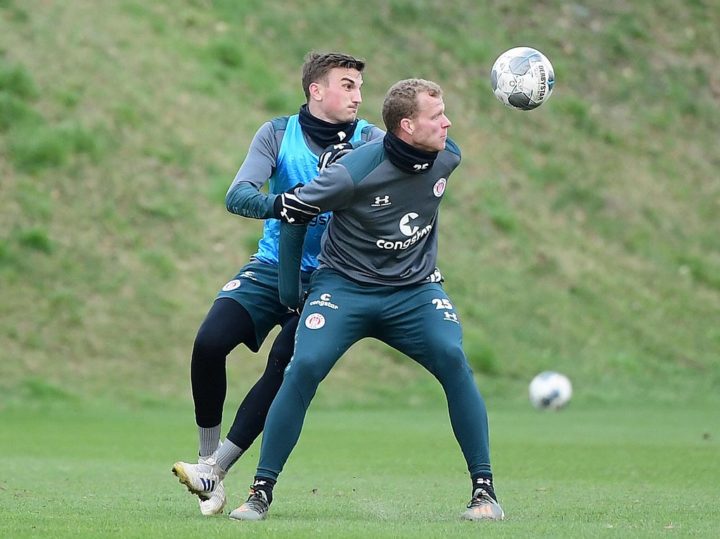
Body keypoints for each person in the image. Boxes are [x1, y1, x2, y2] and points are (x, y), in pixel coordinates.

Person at [229, 78, 504, 522]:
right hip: (344, 289)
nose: (448, 123)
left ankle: (484, 492)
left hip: (414, 292)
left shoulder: (448, 157)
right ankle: (260, 491)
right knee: (304, 367)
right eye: (437, 117)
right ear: (406, 126)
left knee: (453, 357)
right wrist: (288, 292)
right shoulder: (351, 172)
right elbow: (295, 214)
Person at [171, 51, 384, 516]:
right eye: (347, 85)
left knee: (283, 364)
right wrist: (285, 204)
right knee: (209, 343)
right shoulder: (275, 134)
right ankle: (208, 460)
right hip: (272, 265)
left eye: (359, 87)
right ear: (316, 90)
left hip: (334, 276)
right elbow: (239, 194)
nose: (358, 96)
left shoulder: (371, 138)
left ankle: (218, 469)